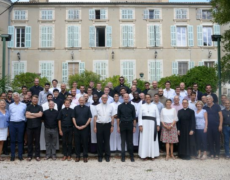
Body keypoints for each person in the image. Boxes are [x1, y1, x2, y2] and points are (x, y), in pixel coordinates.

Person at [138, 94, 160, 159]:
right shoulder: (142, 106)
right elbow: (139, 117)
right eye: (146, 97)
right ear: (145, 98)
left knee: (152, 139)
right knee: (144, 139)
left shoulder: (154, 106)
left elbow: (158, 117)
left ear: (151, 98)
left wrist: (158, 125)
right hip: (144, 124)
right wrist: (140, 125)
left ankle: (152, 155)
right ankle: (144, 155)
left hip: (153, 124)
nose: (147, 99)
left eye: (149, 97)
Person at [94, 94, 115, 162]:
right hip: (99, 125)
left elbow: (112, 117)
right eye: (103, 98)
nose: (104, 99)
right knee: (99, 141)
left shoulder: (111, 106)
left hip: (107, 125)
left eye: (106, 98)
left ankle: (107, 156)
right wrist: (95, 126)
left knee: (107, 141)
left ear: (107, 99)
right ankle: (100, 156)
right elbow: (95, 117)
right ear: (101, 98)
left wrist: (112, 126)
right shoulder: (97, 106)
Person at [117, 93, 136, 162]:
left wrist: (134, 126)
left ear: (129, 98)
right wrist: (118, 127)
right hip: (122, 125)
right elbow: (118, 118)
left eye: (127, 97)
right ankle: (123, 156)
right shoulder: (120, 106)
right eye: (124, 97)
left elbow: (134, 118)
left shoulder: (132, 106)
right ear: (123, 98)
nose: (126, 98)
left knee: (130, 141)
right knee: (123, 141)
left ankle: (131, 156)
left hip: (130, 125)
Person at [72, 97, 92, 163]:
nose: (81, 101)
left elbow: (90, 118)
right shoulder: (75, 108)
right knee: (77, 142)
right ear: (78, 101)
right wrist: (76, 125)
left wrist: (85, 125)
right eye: (80, 100)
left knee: (85, 142)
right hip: (76, 128)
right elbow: (73, 117)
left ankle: (85, 156)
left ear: (85, 101)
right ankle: (77, 156)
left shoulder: (87, 108)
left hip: (85, 128)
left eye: (83, 100)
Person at [9, 92, 27, 161]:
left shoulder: (24, 105)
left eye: (17, 96)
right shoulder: (10, 106)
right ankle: (12, 156)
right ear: (13, 97)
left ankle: (20, 155)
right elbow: (9, 115)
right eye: (14, 96)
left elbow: (25, 114)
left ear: (19, 97)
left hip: (21, 123)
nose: (16, 97)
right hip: (12, 123)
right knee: (12, 140)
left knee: (20, 140)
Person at [26, 95, 43, 161]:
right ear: (31, 100)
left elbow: (40, 115)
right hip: (29, 126)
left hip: (37, 126)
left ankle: (37, 155)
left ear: (37, 100)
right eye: (33, 99)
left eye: (36, 99)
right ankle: (29, 156)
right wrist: (36, 114)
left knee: (37, 141)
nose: (35, 100)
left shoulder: (40, 107)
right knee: (30, 141)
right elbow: (27, 116)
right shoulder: (28, 107)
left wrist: (31, 114)